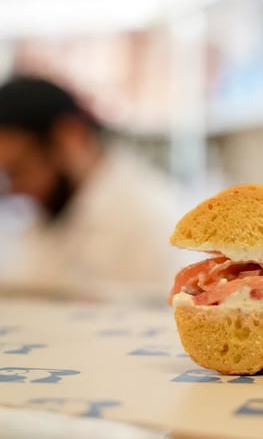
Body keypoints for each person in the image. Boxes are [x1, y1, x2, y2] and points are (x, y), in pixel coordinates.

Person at [0, 76, 194, 303]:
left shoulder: (153, 221)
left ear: (68, 138)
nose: (14, 189)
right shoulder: (47, 208)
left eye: (19, 170)